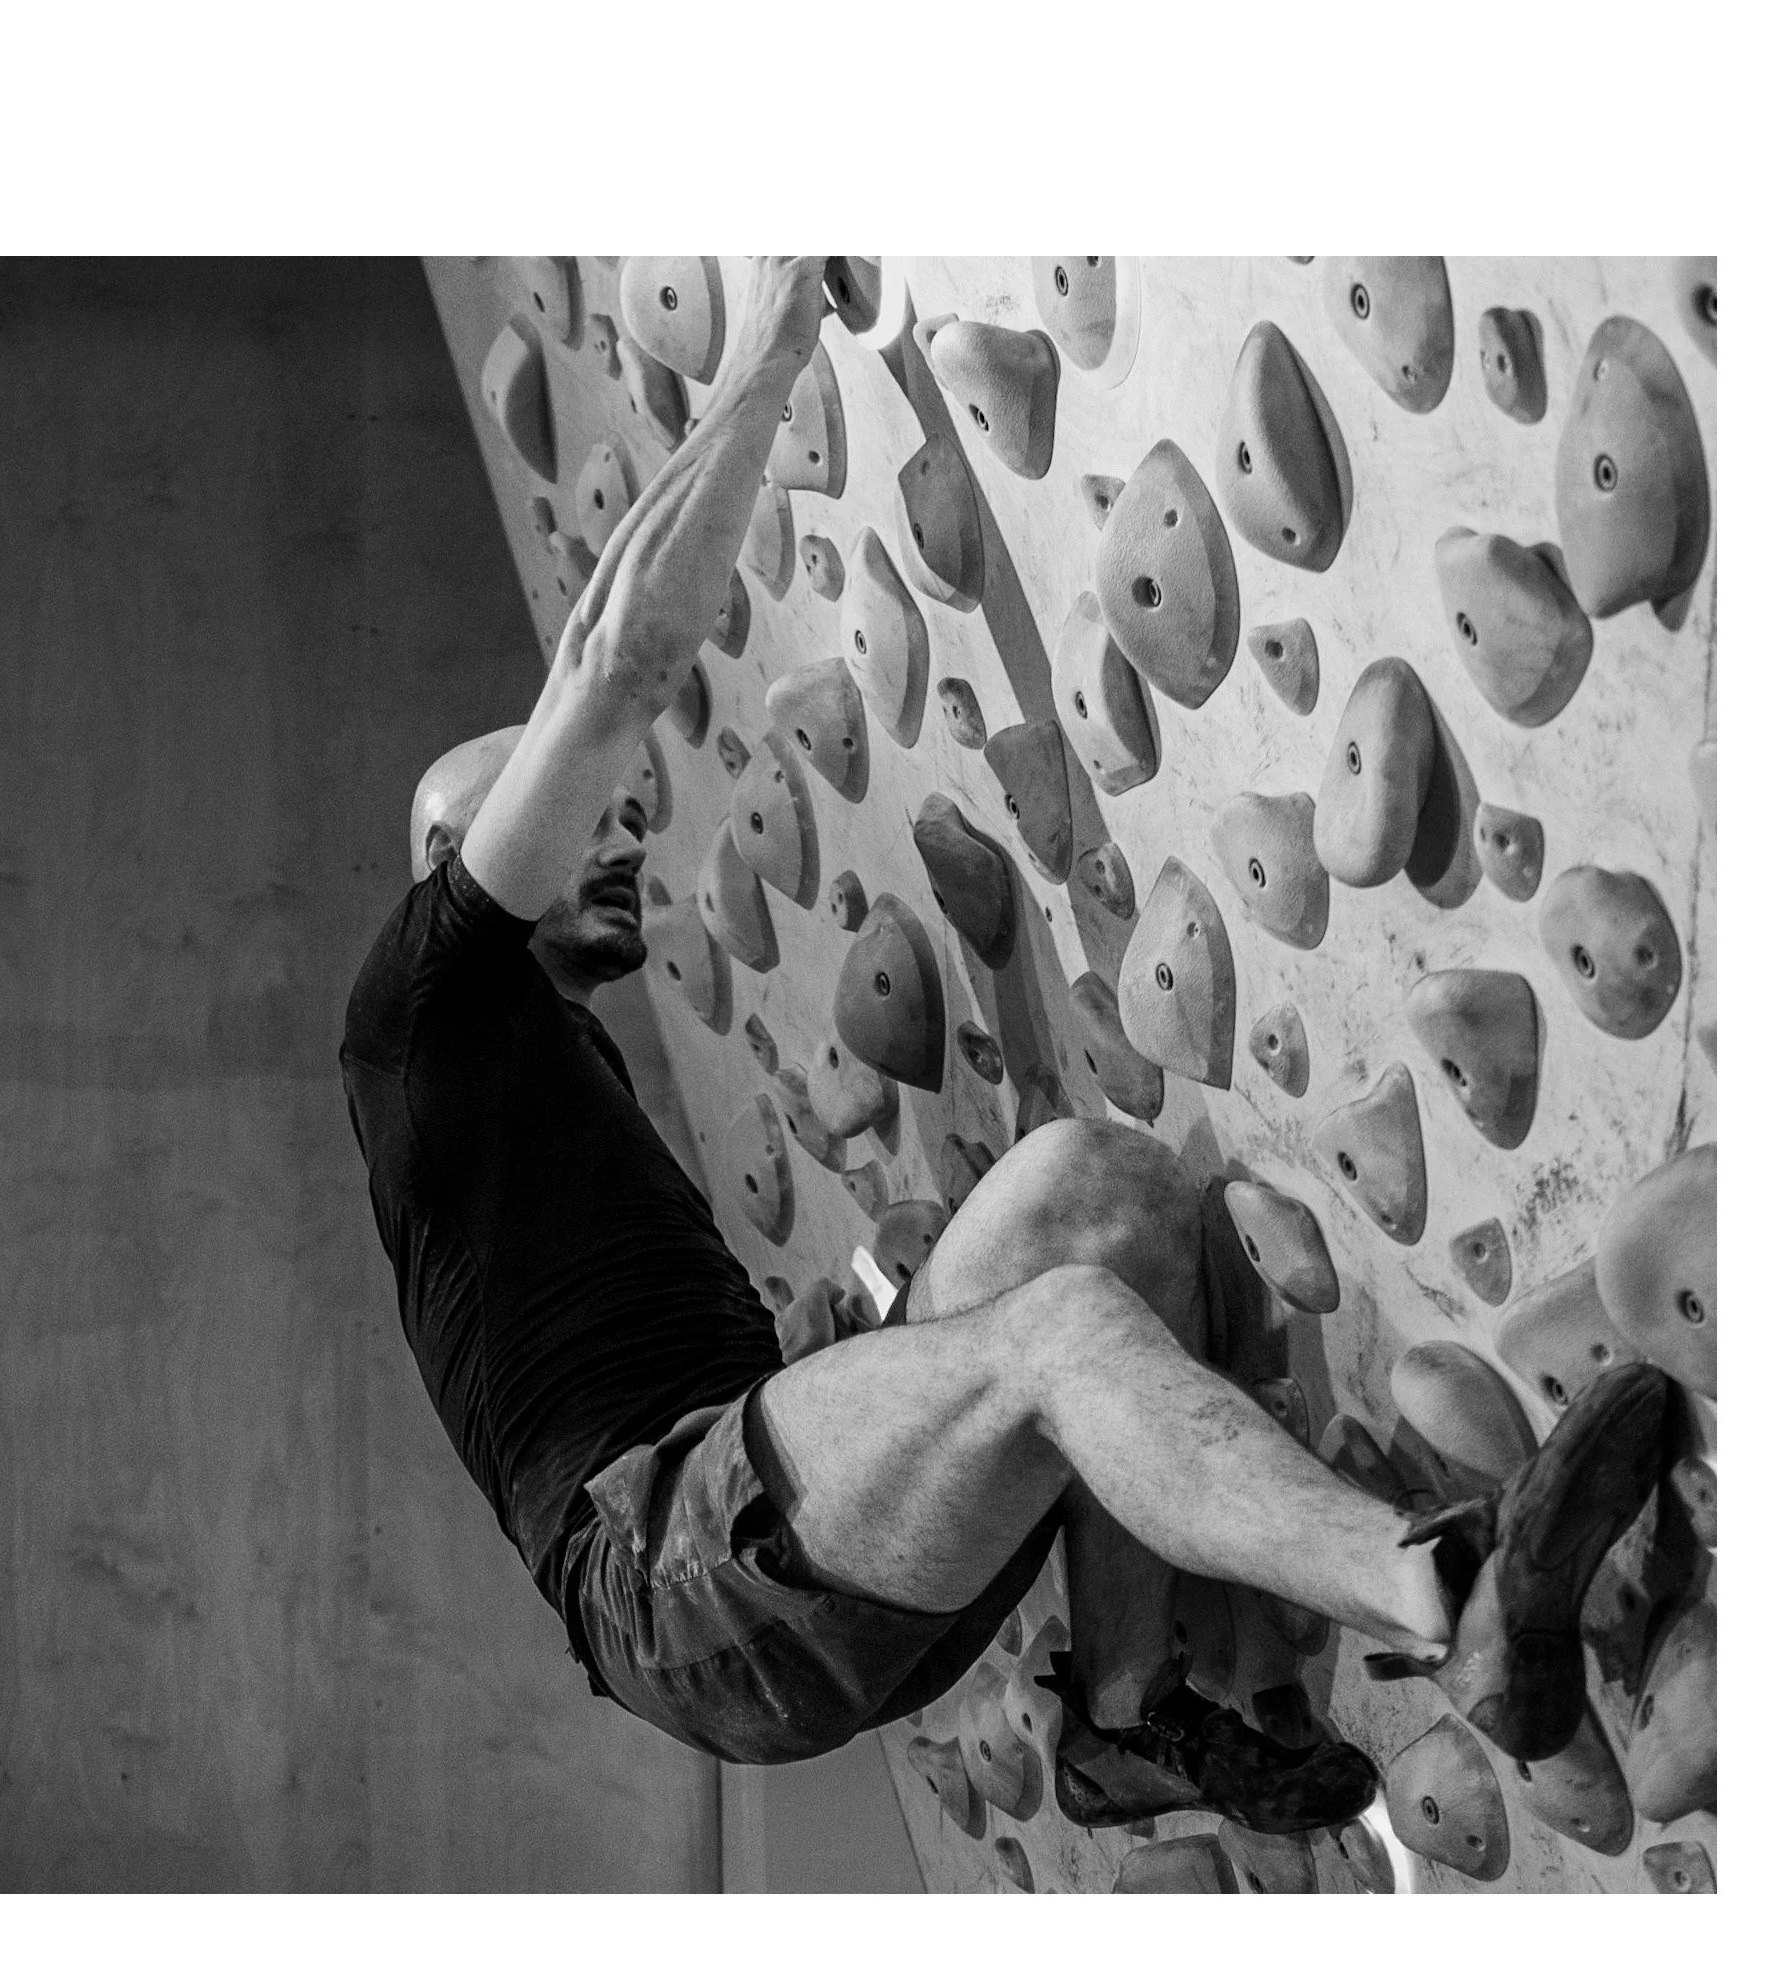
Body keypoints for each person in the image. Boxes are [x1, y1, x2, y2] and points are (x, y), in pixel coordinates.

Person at [341, 257, 1677, 1830]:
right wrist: (771, 340)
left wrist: (863, 1332)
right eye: (575, 818)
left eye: (622, 808)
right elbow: (614, 661)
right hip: (671, 1579)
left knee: (1101, 1192)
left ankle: (1123, 1714)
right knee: (1052, 1339)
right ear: (462, 857)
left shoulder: (543, 1069)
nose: (623, 826)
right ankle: (1448, 1602)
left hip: (762, 1516)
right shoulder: (422, 1003)